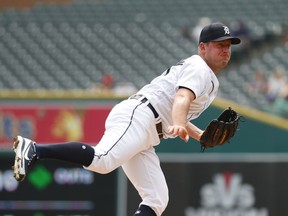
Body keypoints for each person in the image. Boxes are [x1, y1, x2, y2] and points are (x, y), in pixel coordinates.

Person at [12, 23, 241, 216]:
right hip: (139, 116)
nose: (226, 50)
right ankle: (35, 148)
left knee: (157, 198)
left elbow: (174, 106)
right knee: (103, 160)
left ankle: (36, 149)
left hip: (147, 129)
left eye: (228, 45)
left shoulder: (205, 75)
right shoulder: (199, 68)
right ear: (202, 47)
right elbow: (182, 98)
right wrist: (179, 123)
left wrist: (198, 134)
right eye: (220, 45)